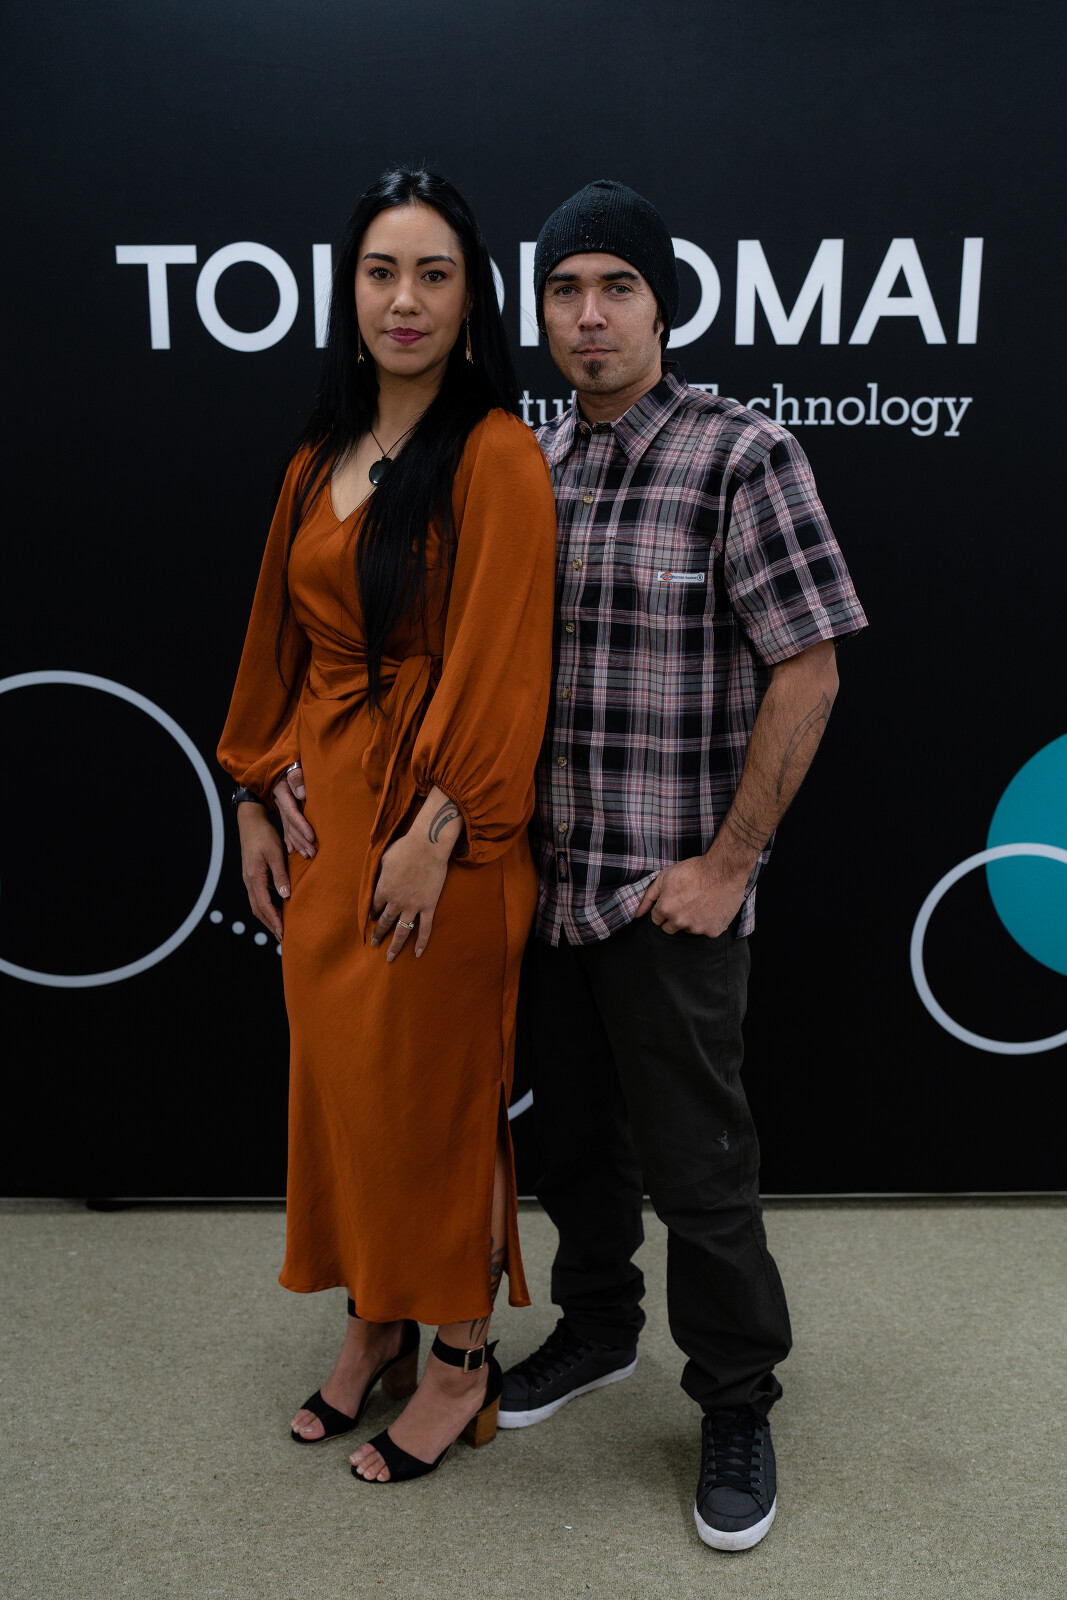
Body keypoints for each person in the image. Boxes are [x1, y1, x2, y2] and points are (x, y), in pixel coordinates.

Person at [498, 181, 868, 1550]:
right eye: (564, 290)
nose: (589, 315)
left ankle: (735, 1399)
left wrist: (728, 862)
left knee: (700, 1171)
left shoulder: (742, 456)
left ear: (664, 305)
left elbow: (810, 671)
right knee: (572, 1147)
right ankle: (597, 1330)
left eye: (618, 287)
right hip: (546, 888)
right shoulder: (527, 466)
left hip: (671, 898)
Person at [217, 167, 556, 1484]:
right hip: (326, 836)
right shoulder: (318, 456)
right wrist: (255, 788)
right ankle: (377, 1322)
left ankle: (461, 1357)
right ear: (348, 292)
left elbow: (505, 660)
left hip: (444, 840)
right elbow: (277, 642)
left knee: (438, 1101)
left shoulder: (497, 454)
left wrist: (442, 828)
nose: (404, 299)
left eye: (433, 274)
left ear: (471, 302)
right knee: (350, 1093)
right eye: (380, 272)